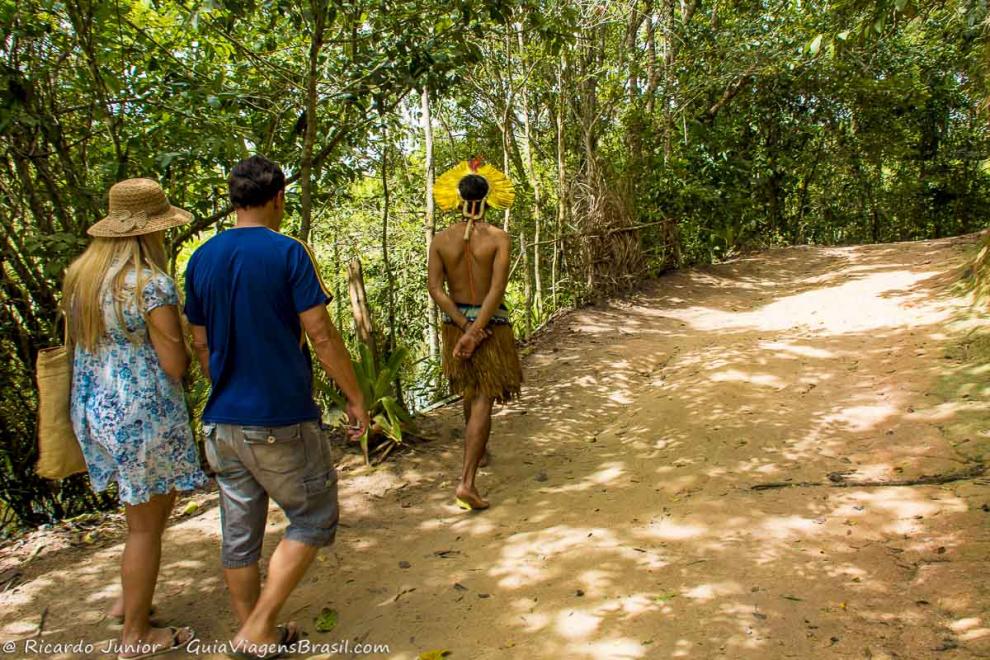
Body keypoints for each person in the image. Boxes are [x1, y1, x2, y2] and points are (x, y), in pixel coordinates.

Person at [184, 155, 369, 658]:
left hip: (222, 421)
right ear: (278, 198)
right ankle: (257, 627)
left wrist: (222, 384)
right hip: (279, 416)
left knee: (239, 535)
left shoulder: (201, 258)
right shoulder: (289, 251)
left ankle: (257, 635)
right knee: (313, 518)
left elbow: (199, 343)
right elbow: (321, 332)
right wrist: (355, 396)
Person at [64, 178, 205, 658]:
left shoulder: (82, 277)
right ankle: (135, 635)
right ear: (152, 232)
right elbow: (173, 364)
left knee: (147, 511)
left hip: (96, 407)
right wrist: (185, 340)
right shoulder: (151, 285)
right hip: (141, 411)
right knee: (145, 525)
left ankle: (129, 601)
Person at [428, 158, 523, 511]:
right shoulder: (498, 238)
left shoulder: (441, 240)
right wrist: (478, 329)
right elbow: (497, 290)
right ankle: (466, 482)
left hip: (459, 326)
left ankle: (477, 453)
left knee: (470, 390)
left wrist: (464, 327)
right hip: (491, 329)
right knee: (482, 396)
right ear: (487, 199)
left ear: (457, 198)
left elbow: (435, 289)